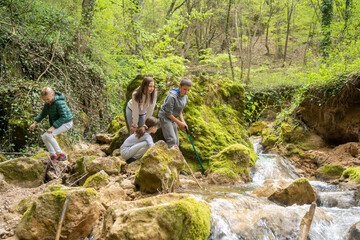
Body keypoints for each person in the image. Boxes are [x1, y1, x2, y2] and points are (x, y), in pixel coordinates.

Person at [29, 87, 73, 161]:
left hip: (66, 122)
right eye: (44, 100)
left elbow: (63, 116)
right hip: (60, 122)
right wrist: (34, 123)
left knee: (49, 135)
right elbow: (43, 114)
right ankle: (53, 155)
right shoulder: (48, 103)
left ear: (53, 95)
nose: (46, 101)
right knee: (44, 136)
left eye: (48, 99)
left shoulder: (59, 102)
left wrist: (53, 127)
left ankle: (61, 155)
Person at [158, 78, 192, 149]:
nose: (186, 92)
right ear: (179, 87)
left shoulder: (185, 97)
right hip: (165, 117)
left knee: (177, 142)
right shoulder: (172, 97)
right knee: (172, 140)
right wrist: (180, 123)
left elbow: (180, 111)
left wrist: (183, 122)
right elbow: (168, 113)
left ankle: (177, 157)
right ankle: (170, 158)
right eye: (185, 89)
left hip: (173, 118)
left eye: (188, 90)